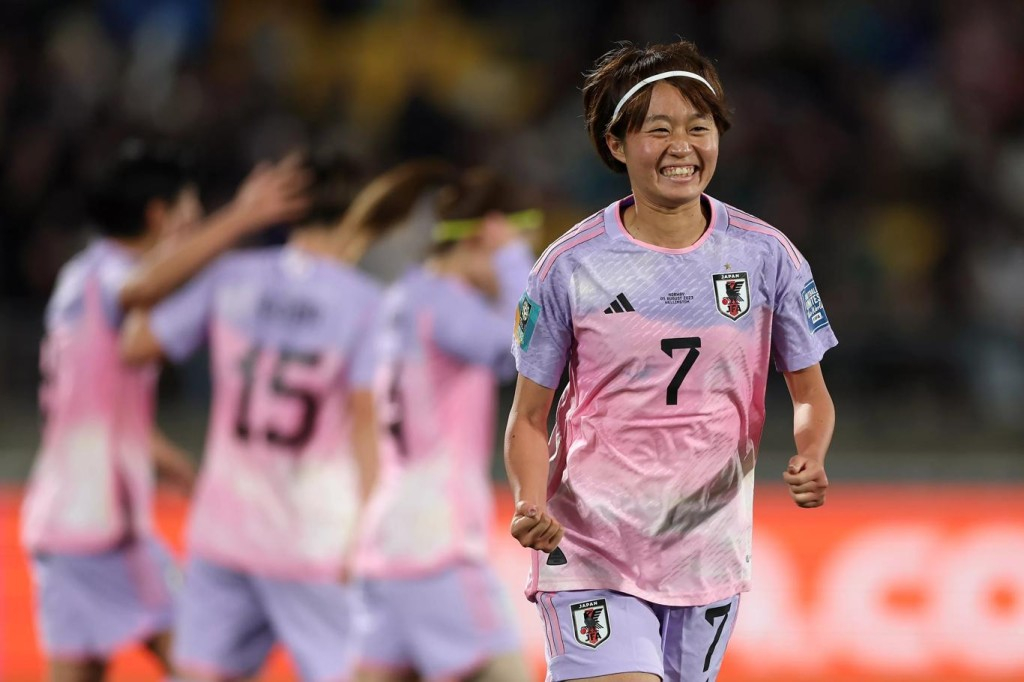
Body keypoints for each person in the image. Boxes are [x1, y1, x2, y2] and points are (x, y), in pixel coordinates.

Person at [504, 40, 838, 682]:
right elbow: (528, 417)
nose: (681, 146)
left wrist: (812, 452)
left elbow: (808, 392)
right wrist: (530, 501)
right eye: (659, 129)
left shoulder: (768, 256)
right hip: (592, 548)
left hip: (707, 552)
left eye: (698, 127)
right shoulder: (570, 266)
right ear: (617, 144)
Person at [119, 159, 450, 682]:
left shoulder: (231, 276)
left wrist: (202, 235)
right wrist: (369, 533)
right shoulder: (366, 305)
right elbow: (368, 428)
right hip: (312, 540)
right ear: (359, 222)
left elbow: (136, 340)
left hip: (223, 530)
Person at [21, 141, 310, 682]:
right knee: (207, 666)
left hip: (61, 521)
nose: (197, 221)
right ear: (159, 213)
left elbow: (90, 408)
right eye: (190, 208)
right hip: (104, 527)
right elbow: (143, 285)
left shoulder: (77, 276)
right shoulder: (115, 277)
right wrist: (243, 216)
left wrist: (173, 464)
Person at [352, 168, 536, 682]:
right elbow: (526, 347)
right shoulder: (445, 304)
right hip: (439, 545)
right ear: (483, 237)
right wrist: (511, 258)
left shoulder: (399, 299)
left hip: (387, 540)